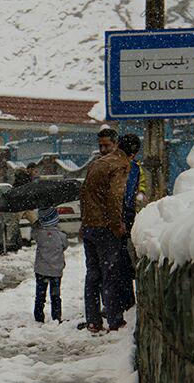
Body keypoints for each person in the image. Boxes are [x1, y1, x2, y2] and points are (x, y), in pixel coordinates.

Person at [79, 134, 132, 333]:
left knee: (92, 275)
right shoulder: (119, 165)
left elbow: (84, 194)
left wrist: (85, 222)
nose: (102, 149)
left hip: (90, 226)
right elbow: (115, 197)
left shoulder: (95, 165)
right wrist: (117, 224)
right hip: (105, 228)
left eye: (105, 145)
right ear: (133, 152)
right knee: (110, 274)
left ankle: (93, 321)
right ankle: (115, 320)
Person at [118, 134, 144, 312]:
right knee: (123, 259)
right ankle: (126, 299)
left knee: (121, 260)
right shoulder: (132, 167)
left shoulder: (134, 168)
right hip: (123, 215)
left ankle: (125, 300)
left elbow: (137, 188)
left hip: (122, 215)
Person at [33, 206, 68, 323]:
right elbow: (65, 246)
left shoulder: (39, 234)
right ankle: (56, 316)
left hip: (41, 270)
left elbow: (34, 233)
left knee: (40, 295)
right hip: (56, 271)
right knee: (55, 296)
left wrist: (37, 224)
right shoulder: (61, 236)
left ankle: (39, 316)